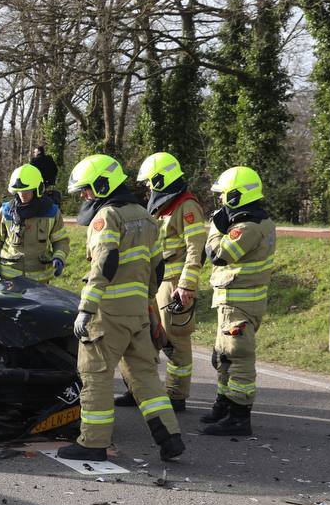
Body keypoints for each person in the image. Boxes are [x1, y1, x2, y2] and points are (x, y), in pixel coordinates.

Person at [58, 154, 184, 463]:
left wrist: (86, 308)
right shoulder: (145, 215)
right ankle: (170, 437)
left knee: (96, 375)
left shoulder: (108, 217)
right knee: (145, 377)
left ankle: (93, 443)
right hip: (138, 312)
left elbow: (105, 262)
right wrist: (147, 302)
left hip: (107, 313)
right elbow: (158, 267)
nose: (86, 196)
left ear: (102, 185)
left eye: (87, 190)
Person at [115, 152, 206, 412]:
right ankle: (138, 390)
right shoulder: (160, 207)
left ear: (162, 178)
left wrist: (187, 284)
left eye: (150, 181)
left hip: (174, 284)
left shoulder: (187, 206)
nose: (147, 186)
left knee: (175, 341)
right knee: (143, 337)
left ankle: (176, 396)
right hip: (152, 281)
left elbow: (195, 248)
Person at [201, 166, 276, 436]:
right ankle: (223, 405)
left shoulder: (247, 227)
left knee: (239, 357)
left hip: (239, 303)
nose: (220, 201)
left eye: (223, 195)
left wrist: (213, 228)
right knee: (224, 356)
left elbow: (219, 254)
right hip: (234, 301)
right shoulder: (254, 221)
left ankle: (239, 416)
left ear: (236, 196)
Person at [0, 163, 69, 283]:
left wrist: (59, 257)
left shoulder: (51, 212)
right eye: (19, 191)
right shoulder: (6, 211)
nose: (22, 195)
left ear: (37, 189)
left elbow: (61, 240)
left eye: (27, 190)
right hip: (9, 280)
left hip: (40, 281)